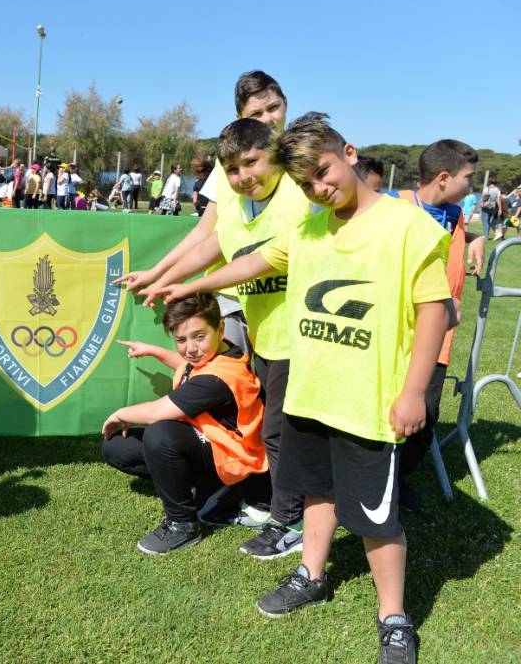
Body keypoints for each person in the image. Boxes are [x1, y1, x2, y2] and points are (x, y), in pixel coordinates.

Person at [164, 113, 451, 664]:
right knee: (317, 493)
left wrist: (413, 392)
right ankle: (311, 574)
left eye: (323, 172)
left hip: (368, 403)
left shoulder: (407, 225)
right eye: (305, 186)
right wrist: (192, 282)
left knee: (376, 517)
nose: (320, 190)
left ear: (348, 152)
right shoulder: (310, 226)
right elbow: (253, 261)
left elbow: (434, 311)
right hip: (311, 393)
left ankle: (393, 615)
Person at [143, 119, 312, 556]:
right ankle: (273, 507)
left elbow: (264, 260)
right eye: (233, 170)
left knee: (282, 431)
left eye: (251, 163)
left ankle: (290, 522)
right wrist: (164, 278)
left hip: (304, 336)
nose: (244, 177)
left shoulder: (299, 195)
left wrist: (192, 286)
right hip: (265, 337)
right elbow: (212, 246)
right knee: (268, 428)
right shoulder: (237, 203)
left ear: (274, 155)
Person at [116, 70, 292, 359]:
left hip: (282, 304)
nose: (267, 119)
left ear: (285, 103)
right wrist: (156, 275)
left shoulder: (302, 160)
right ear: (240, 117)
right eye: (255, 113)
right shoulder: (229, 168)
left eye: (273, 108)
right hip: (233, 298)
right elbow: (207, 233)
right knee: (232, 384)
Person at [101, 295, 269, 555]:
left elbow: (158, 411)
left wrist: (120, 413)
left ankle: (183, 524)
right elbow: (187, 366)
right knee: (117, 448)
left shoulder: (221, 376)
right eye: (181, 340)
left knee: (160, 434)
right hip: (208, 447)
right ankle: (193, 486)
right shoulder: (216, 353)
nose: (190, 348)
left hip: (236, 462)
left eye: (198, 337)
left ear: (221, 328)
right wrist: (154, 351)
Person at [388, 139, 483, 513]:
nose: (471, 186)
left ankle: (400, 479)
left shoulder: (456, 214)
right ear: (443, 178)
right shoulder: (392, 205)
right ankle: (376, 481)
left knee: (425, 416)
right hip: (394, 334)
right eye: (468, 178)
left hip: (438, 338)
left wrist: (475, 238)